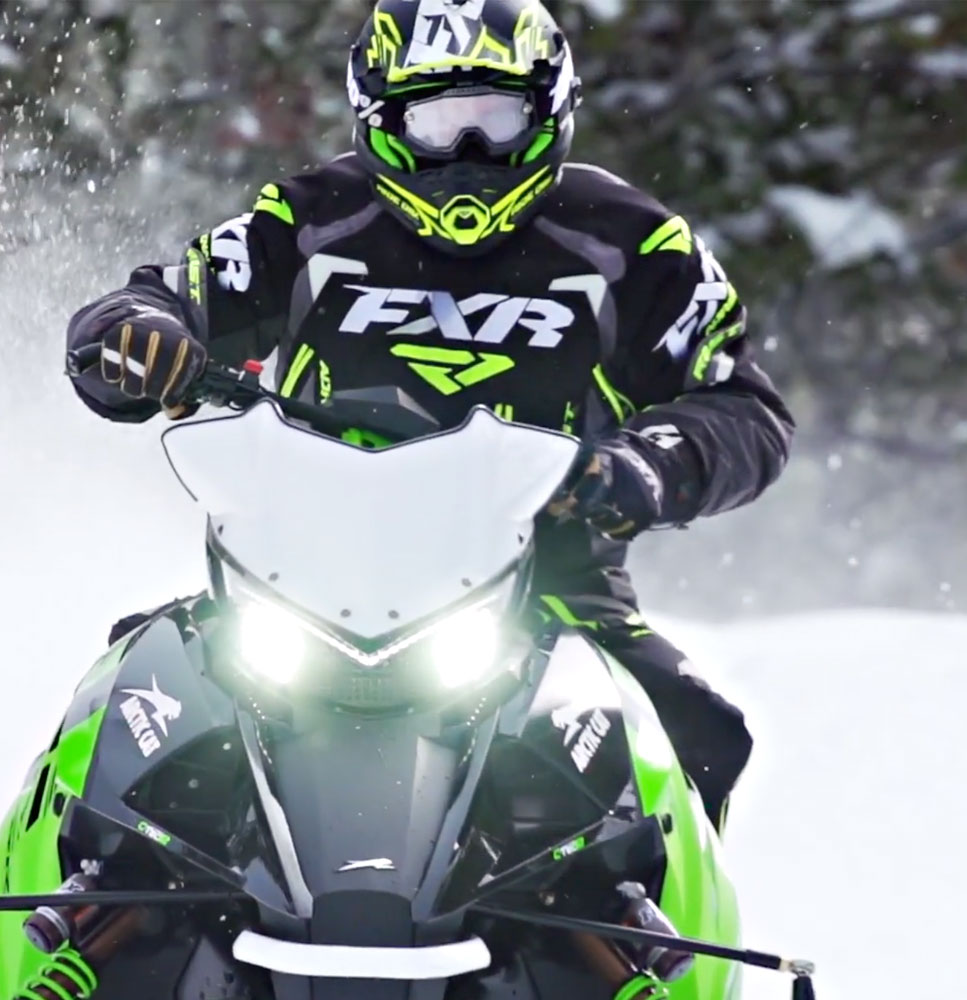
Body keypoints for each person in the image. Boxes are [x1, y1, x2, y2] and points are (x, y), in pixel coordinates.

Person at [64, 0, 794, 832]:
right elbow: (164, 295)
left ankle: (646, 916)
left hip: (554, 590)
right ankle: (75, 894)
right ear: (382, 119)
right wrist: (136, 338)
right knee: (127, 701)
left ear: (550, 111)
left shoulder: (634, 244)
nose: (468, 153)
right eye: (438, 123)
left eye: (495, 120)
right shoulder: (308, 220)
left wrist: (643, 465)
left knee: (694, 731)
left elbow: (743, 403)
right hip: (297, 574)